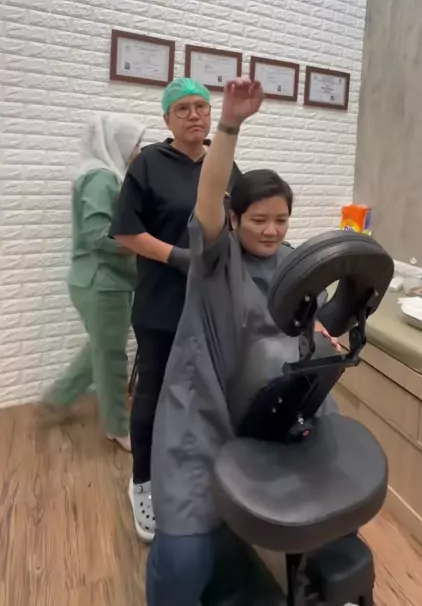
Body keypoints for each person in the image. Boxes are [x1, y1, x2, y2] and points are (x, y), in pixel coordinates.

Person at [146, 79, 340, 606]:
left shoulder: (295, 263)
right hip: (203, 418)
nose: (272, 231)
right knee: (185, 560)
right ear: (234, 220)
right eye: (259, 220)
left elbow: (312, 322)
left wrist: (320, 331)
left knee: (329, 516)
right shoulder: (216, 257)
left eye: (281, 220)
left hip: (274, 412)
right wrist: (228, 125)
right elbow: (208, 197)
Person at [111, 78, 241, 541]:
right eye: (182, 109)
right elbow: (125, 231)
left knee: (206, 391)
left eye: (201, 107)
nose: (194, 116)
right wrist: (176, 256)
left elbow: (239, 225)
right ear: (167, 118)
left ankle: (197, 470)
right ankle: (143, 483)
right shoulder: (149, 164)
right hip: (162, 301)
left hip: (211, 302)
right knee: (154, 392)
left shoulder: (224, 164)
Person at [41, 114, 145, 451]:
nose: (137, 151)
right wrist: (146, 244)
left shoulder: (103, 175)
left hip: (99, 280)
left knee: (101, 347)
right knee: (112, 357)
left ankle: (57, 398)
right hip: (103, 283)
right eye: (135, 144)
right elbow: (99, 236)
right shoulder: (101, 178)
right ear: (117, 143)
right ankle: (118, 427)